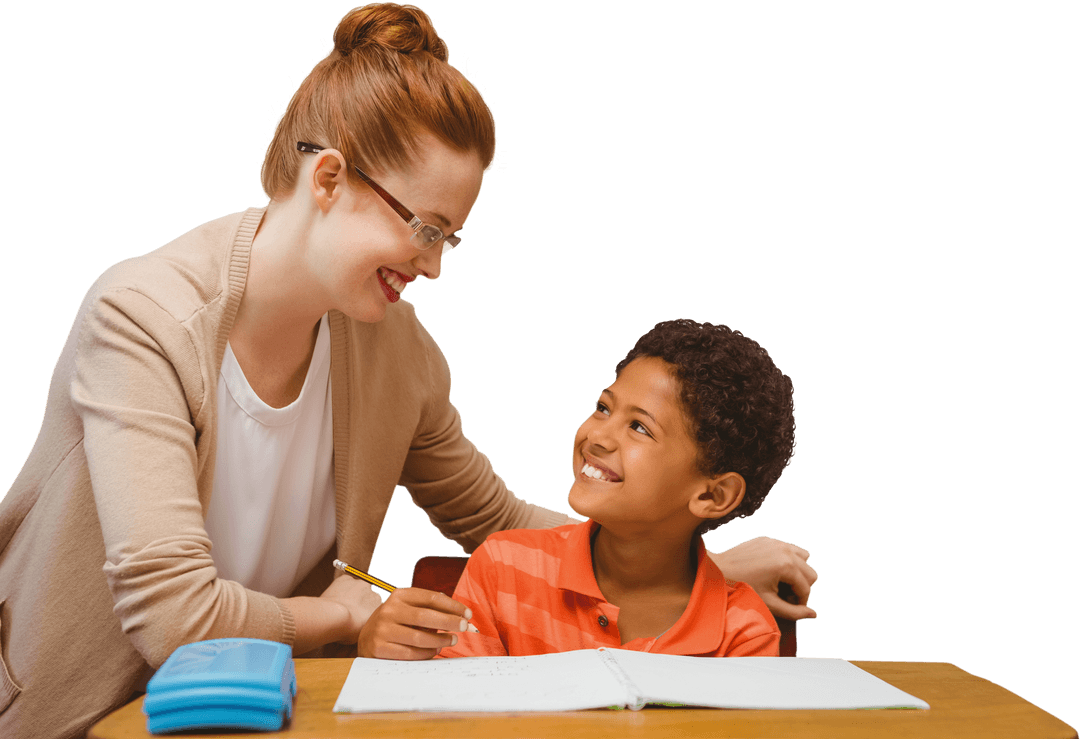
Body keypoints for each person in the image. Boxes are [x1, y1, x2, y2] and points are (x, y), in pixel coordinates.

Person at [0, 4, 815, 737]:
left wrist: (686, 564)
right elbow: (171, 613)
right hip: (72, 712)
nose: (432, 266)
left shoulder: (394, 347)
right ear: (327, 179)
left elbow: (493, 518)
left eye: (449, 238)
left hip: (255, 715)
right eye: (423, 229)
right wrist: (340, 615)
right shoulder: (143, 316)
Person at [439, 319, 795, 659]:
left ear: (712, 496)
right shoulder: (502, 568)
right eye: (603, 408)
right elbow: (461, 712)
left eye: (639, 427)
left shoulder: (742, 633)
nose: (597, 436)